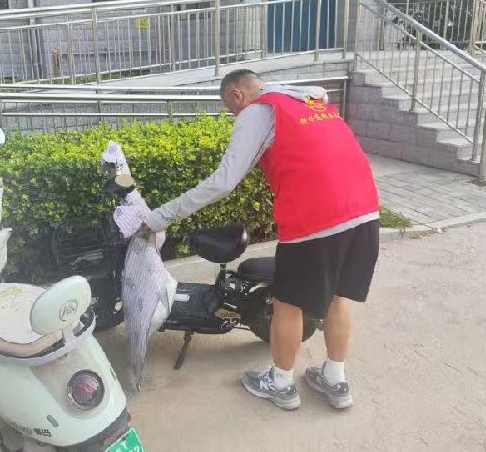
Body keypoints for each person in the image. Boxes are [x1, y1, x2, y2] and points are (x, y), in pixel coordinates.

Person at [141, 69, 379, 410]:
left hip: (316, 221)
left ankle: (281, 385)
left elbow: (223, 181)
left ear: (236, 95)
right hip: (365, 211)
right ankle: (335, 379)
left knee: (288, 304)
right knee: (337, 298)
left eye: (231, 110)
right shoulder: (309, 101)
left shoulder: (258, 111)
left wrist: (159, 217)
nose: (234, 116)